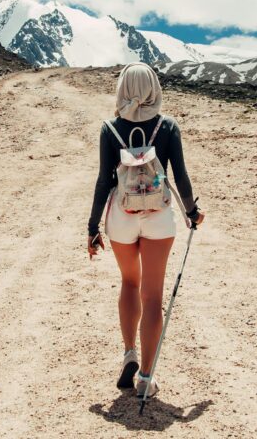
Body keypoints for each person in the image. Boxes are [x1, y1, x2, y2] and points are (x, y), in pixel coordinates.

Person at [87, 63, 203, 399]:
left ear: (122, 89)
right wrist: (192, 213)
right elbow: (179, 176)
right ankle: (146, 378)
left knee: (129, 282)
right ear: (154, 89)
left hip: (121, 216)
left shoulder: (110, 129)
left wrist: (92, 227)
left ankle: (129, 354)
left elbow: (102, 181)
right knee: (153, 296)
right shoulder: (167, 127)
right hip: (158, 216)